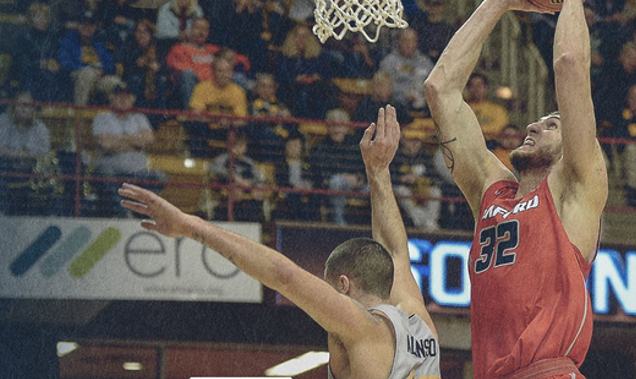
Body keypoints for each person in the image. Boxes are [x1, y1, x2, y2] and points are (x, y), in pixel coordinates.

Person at [117, 106, 440, 379]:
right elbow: (397, 251)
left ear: (343, 285)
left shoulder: (361, 326)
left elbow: (282, 274)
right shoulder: (420, 322)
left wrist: (192, 226)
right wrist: (378, 170)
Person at [425, 0, 607, 378]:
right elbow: (440, 90)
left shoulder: (576, 186)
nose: (533, 126)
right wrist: (497, 0)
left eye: (551, 123)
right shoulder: (493, 193)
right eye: (537, 121)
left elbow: (567, 62)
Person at [92, 83, 167, 217]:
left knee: (160, 177)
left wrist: (120, 139)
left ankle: (140, 212)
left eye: (127, 97)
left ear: (133, 99)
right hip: (113, 173)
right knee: (104, 174)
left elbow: (149, 139)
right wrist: (135, 143)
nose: (123, 99)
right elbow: (106, 144)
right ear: (112, 98)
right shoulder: (102, 118)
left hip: (137, 174)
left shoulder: (139, 118)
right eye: (119, 96)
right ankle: (124, 214)